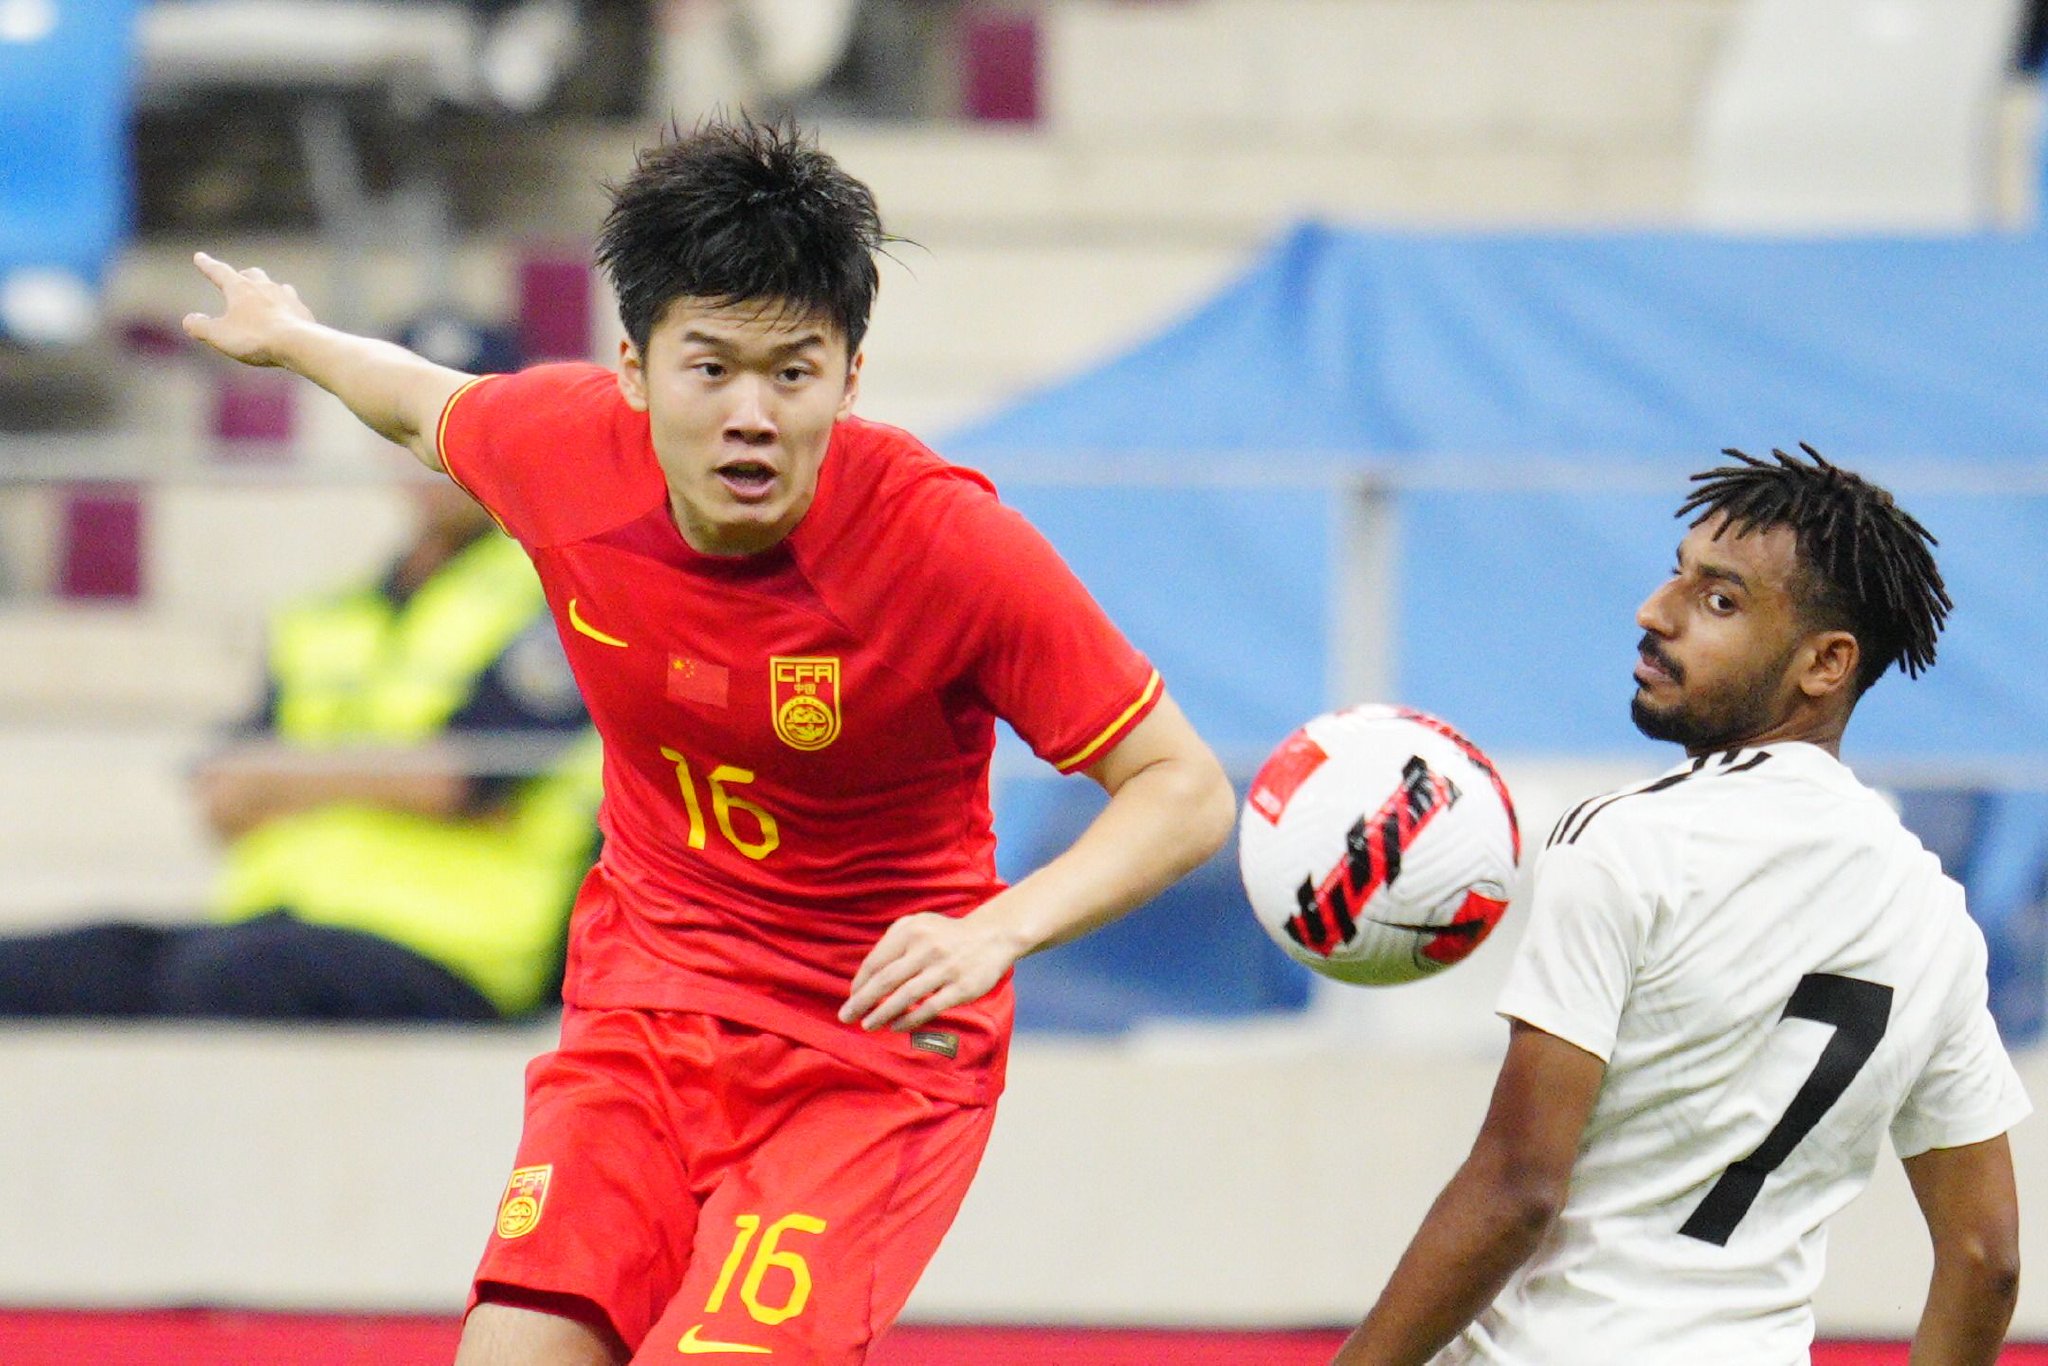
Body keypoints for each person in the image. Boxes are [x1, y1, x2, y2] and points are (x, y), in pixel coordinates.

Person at [183, 115, 1236, 1364]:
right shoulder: (564, 451)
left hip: (869, 1054)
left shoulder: (945, 550)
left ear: (849, 378)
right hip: (646, 1009)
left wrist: (994, 928)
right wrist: (293, 339)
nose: (752, 413)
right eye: (711, 367)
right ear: (632, 368)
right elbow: (419, 406)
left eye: (792, 372)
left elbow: (1181, 787)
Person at [1334, 446, 2029, 1366]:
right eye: (1677, 576)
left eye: (1720, 600)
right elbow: (1987, 1260)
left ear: (1826, 664)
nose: (1654, 613)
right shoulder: (1935, 915)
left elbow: (1517, 1190)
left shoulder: (1624, 839)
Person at [0, 479, 599, 1021]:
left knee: (227, 976)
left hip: (454, 948)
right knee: (40, 971)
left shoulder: (566, 594)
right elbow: (223, 799)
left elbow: (465, 779)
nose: (436, 462)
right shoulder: (328, 614)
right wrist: (366, 776)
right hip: (283, 920)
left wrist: (284, 777)